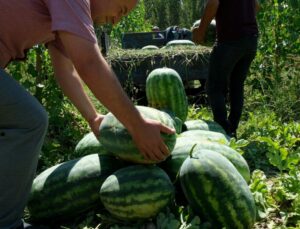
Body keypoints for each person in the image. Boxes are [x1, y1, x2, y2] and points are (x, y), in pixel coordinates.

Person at [0, 0, 175, 228]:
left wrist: (93, 118)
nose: (117, 20)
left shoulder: (68, 14)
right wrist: (137, 125)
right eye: (121, 9)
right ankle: (6, 223)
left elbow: (66, 70)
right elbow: (89, 62)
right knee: (29, 120)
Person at [192, 0, 260, 138]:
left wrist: (201, 31)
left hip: (230, 40)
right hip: (251, 39)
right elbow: (257, 6)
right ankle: (232, 128)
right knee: (237, 85)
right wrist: (243, 19)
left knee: (213, 87)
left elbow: (213, 3)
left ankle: (224, 131)